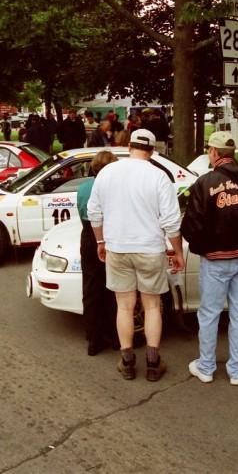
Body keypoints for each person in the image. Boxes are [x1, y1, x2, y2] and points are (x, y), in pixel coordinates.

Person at [87, 129, 185, 382]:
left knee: (124, 306)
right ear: (152, 151)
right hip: (150, 248)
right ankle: (153, 362)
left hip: (117, 247)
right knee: (152, 306)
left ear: (128, 146)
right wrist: (176, 250)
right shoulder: (159, 176)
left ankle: (127, 360)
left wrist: (100, 241)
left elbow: (94, 213)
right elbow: (172, 221)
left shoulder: (107, 172)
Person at [181, 132, 238, 386]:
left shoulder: (205, 183)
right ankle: (236, 370)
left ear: (213, 153)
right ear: (230, 153)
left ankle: (207, 367)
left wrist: (205, 249)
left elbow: (191, 226)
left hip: (215, 262)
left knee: (210, 314)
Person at [77, 150, 120, 356]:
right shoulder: (116, 189)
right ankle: (115, 336)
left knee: (91, 288)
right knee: (113, 288)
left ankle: (93, 338)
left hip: (88, 235)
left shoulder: (84, 188)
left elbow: (82, 213)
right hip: (110, 235)